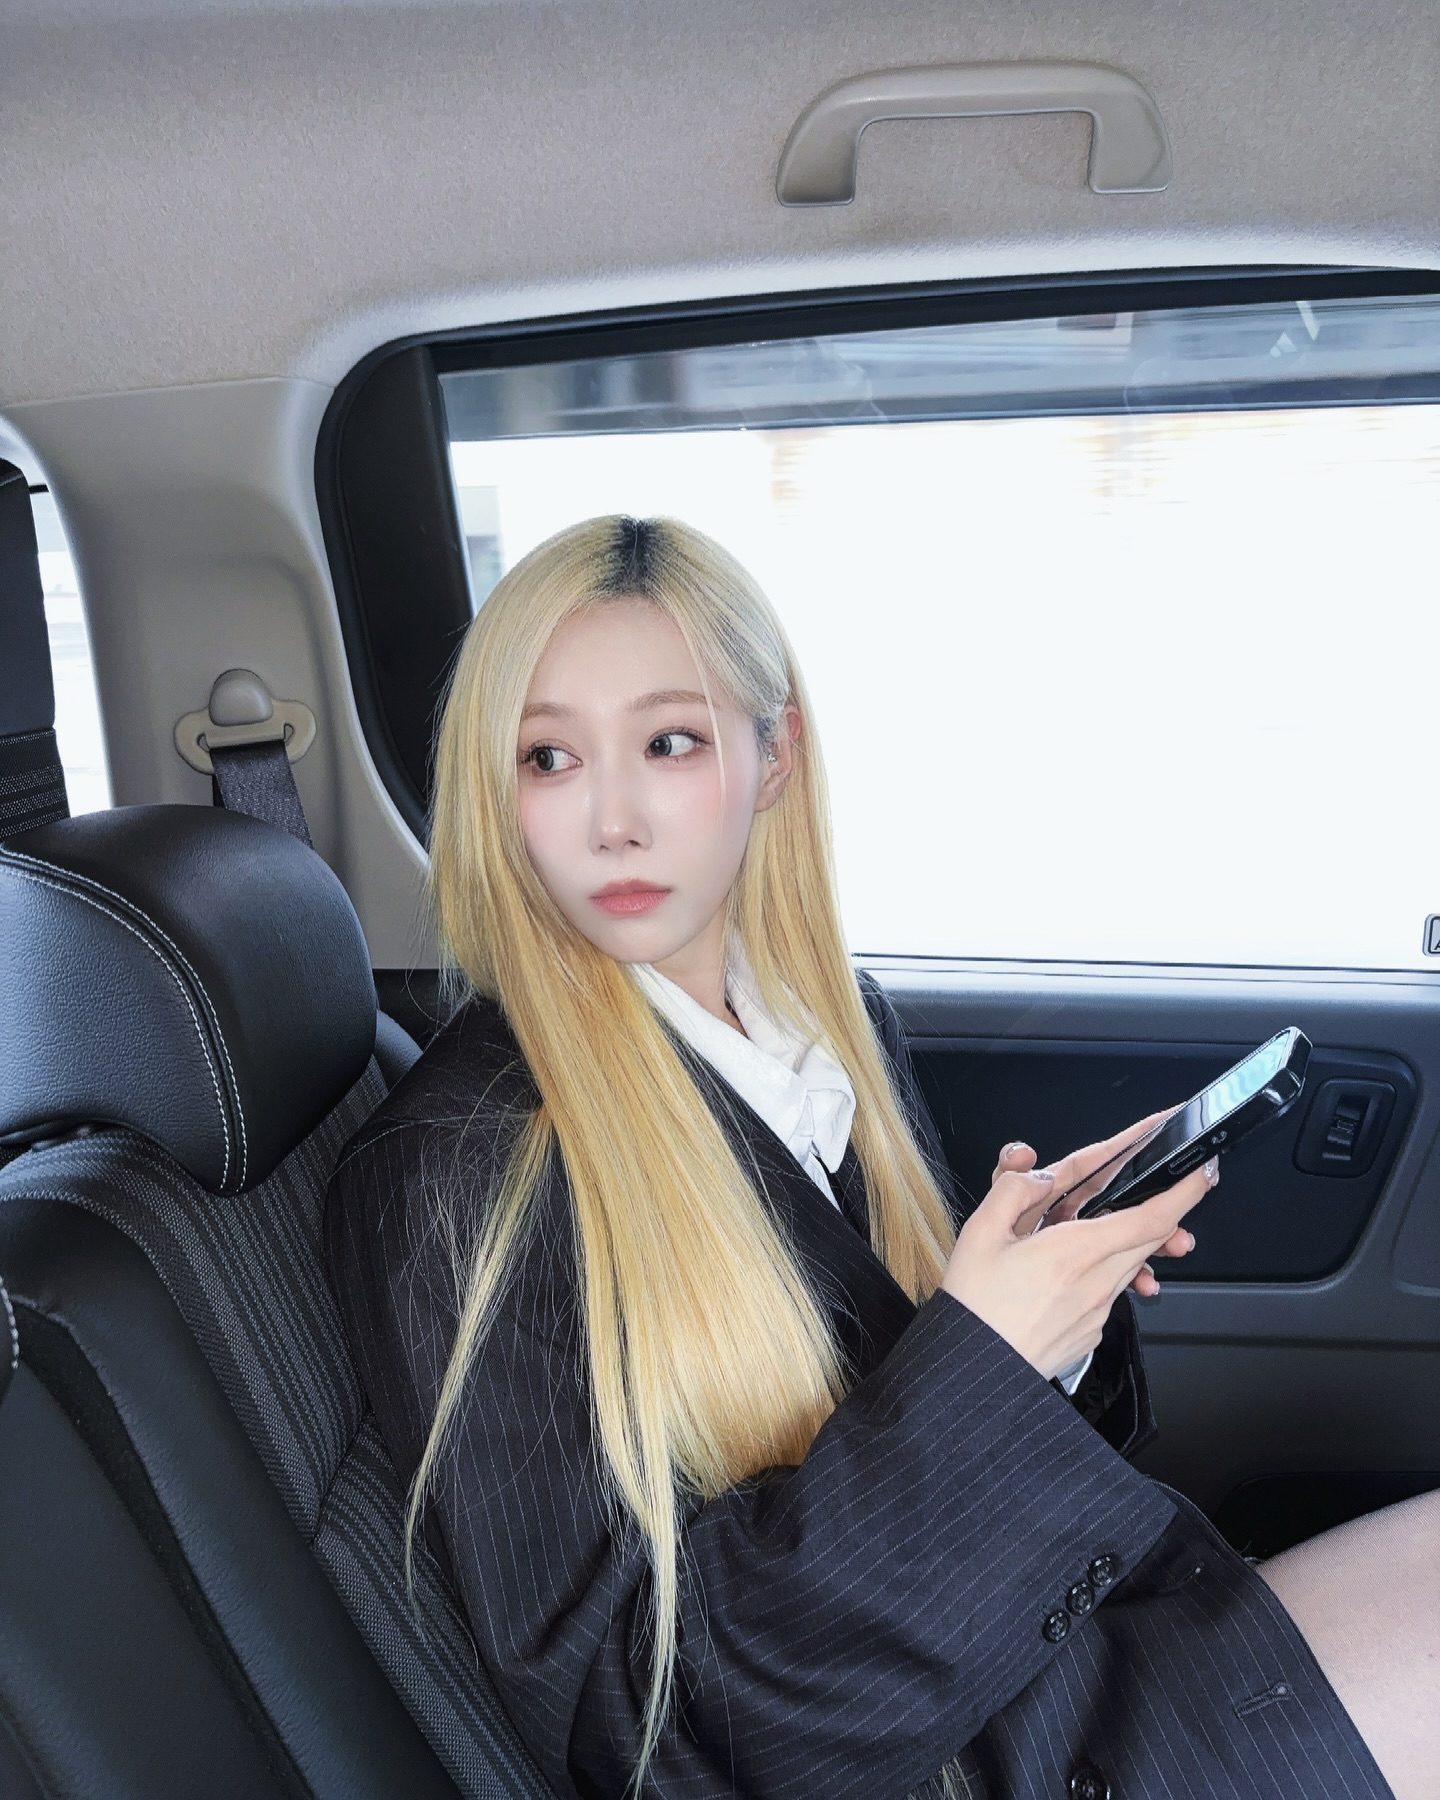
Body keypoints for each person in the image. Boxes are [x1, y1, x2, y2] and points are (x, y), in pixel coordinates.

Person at [325, 515, 1436, 1800]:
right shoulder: (456, 1170)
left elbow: (907, 1425)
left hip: (1046, 1664)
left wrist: (1042, 1325)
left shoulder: (821, 1026)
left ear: (775, 757)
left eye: (669, 743)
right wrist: (986, 1363)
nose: (612, 820)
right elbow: (646, 1735)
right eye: (548, 757)